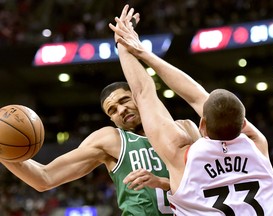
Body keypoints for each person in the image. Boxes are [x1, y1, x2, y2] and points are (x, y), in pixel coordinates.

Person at [0, 9, 202, 216]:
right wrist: (3, 152)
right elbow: (44, 178)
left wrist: (164, 183)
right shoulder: (110, 139)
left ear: (138, 98)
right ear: (111, 119)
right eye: (112, 110)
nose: (121, 110)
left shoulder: (185, 128)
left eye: (124, 100)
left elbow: (206, 183)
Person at [109, 5, 273, 215]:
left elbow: (145, 94)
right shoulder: (257, 146)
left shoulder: (184, 159)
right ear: (244, 124)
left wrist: (127, 43)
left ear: (202, 125)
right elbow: (199, 98)